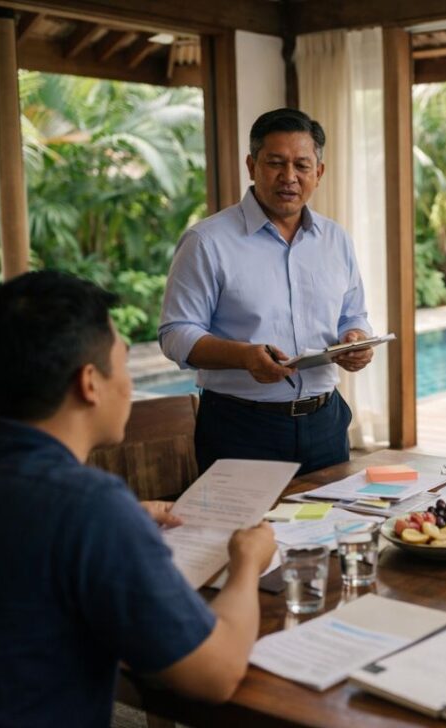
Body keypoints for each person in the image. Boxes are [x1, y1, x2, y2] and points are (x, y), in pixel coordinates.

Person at [0, 271, 276, 725]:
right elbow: (215, 675)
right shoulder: (88, 506)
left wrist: (121, 517)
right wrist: (247, 561)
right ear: (90, 383)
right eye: (124, 363)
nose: (128, 383)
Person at [159, 108, 373, 476]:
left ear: (318, 172)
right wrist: (244, 356)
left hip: (326, 422)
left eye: (302, 166)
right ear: (251, 165)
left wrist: (354, 339)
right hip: (241, 427)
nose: (289, 177)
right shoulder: (206, 241)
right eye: (275, 163)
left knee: (333, 529)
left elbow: (352, 314)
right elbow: (176, 334)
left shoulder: (336, 239)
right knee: (243, 534)